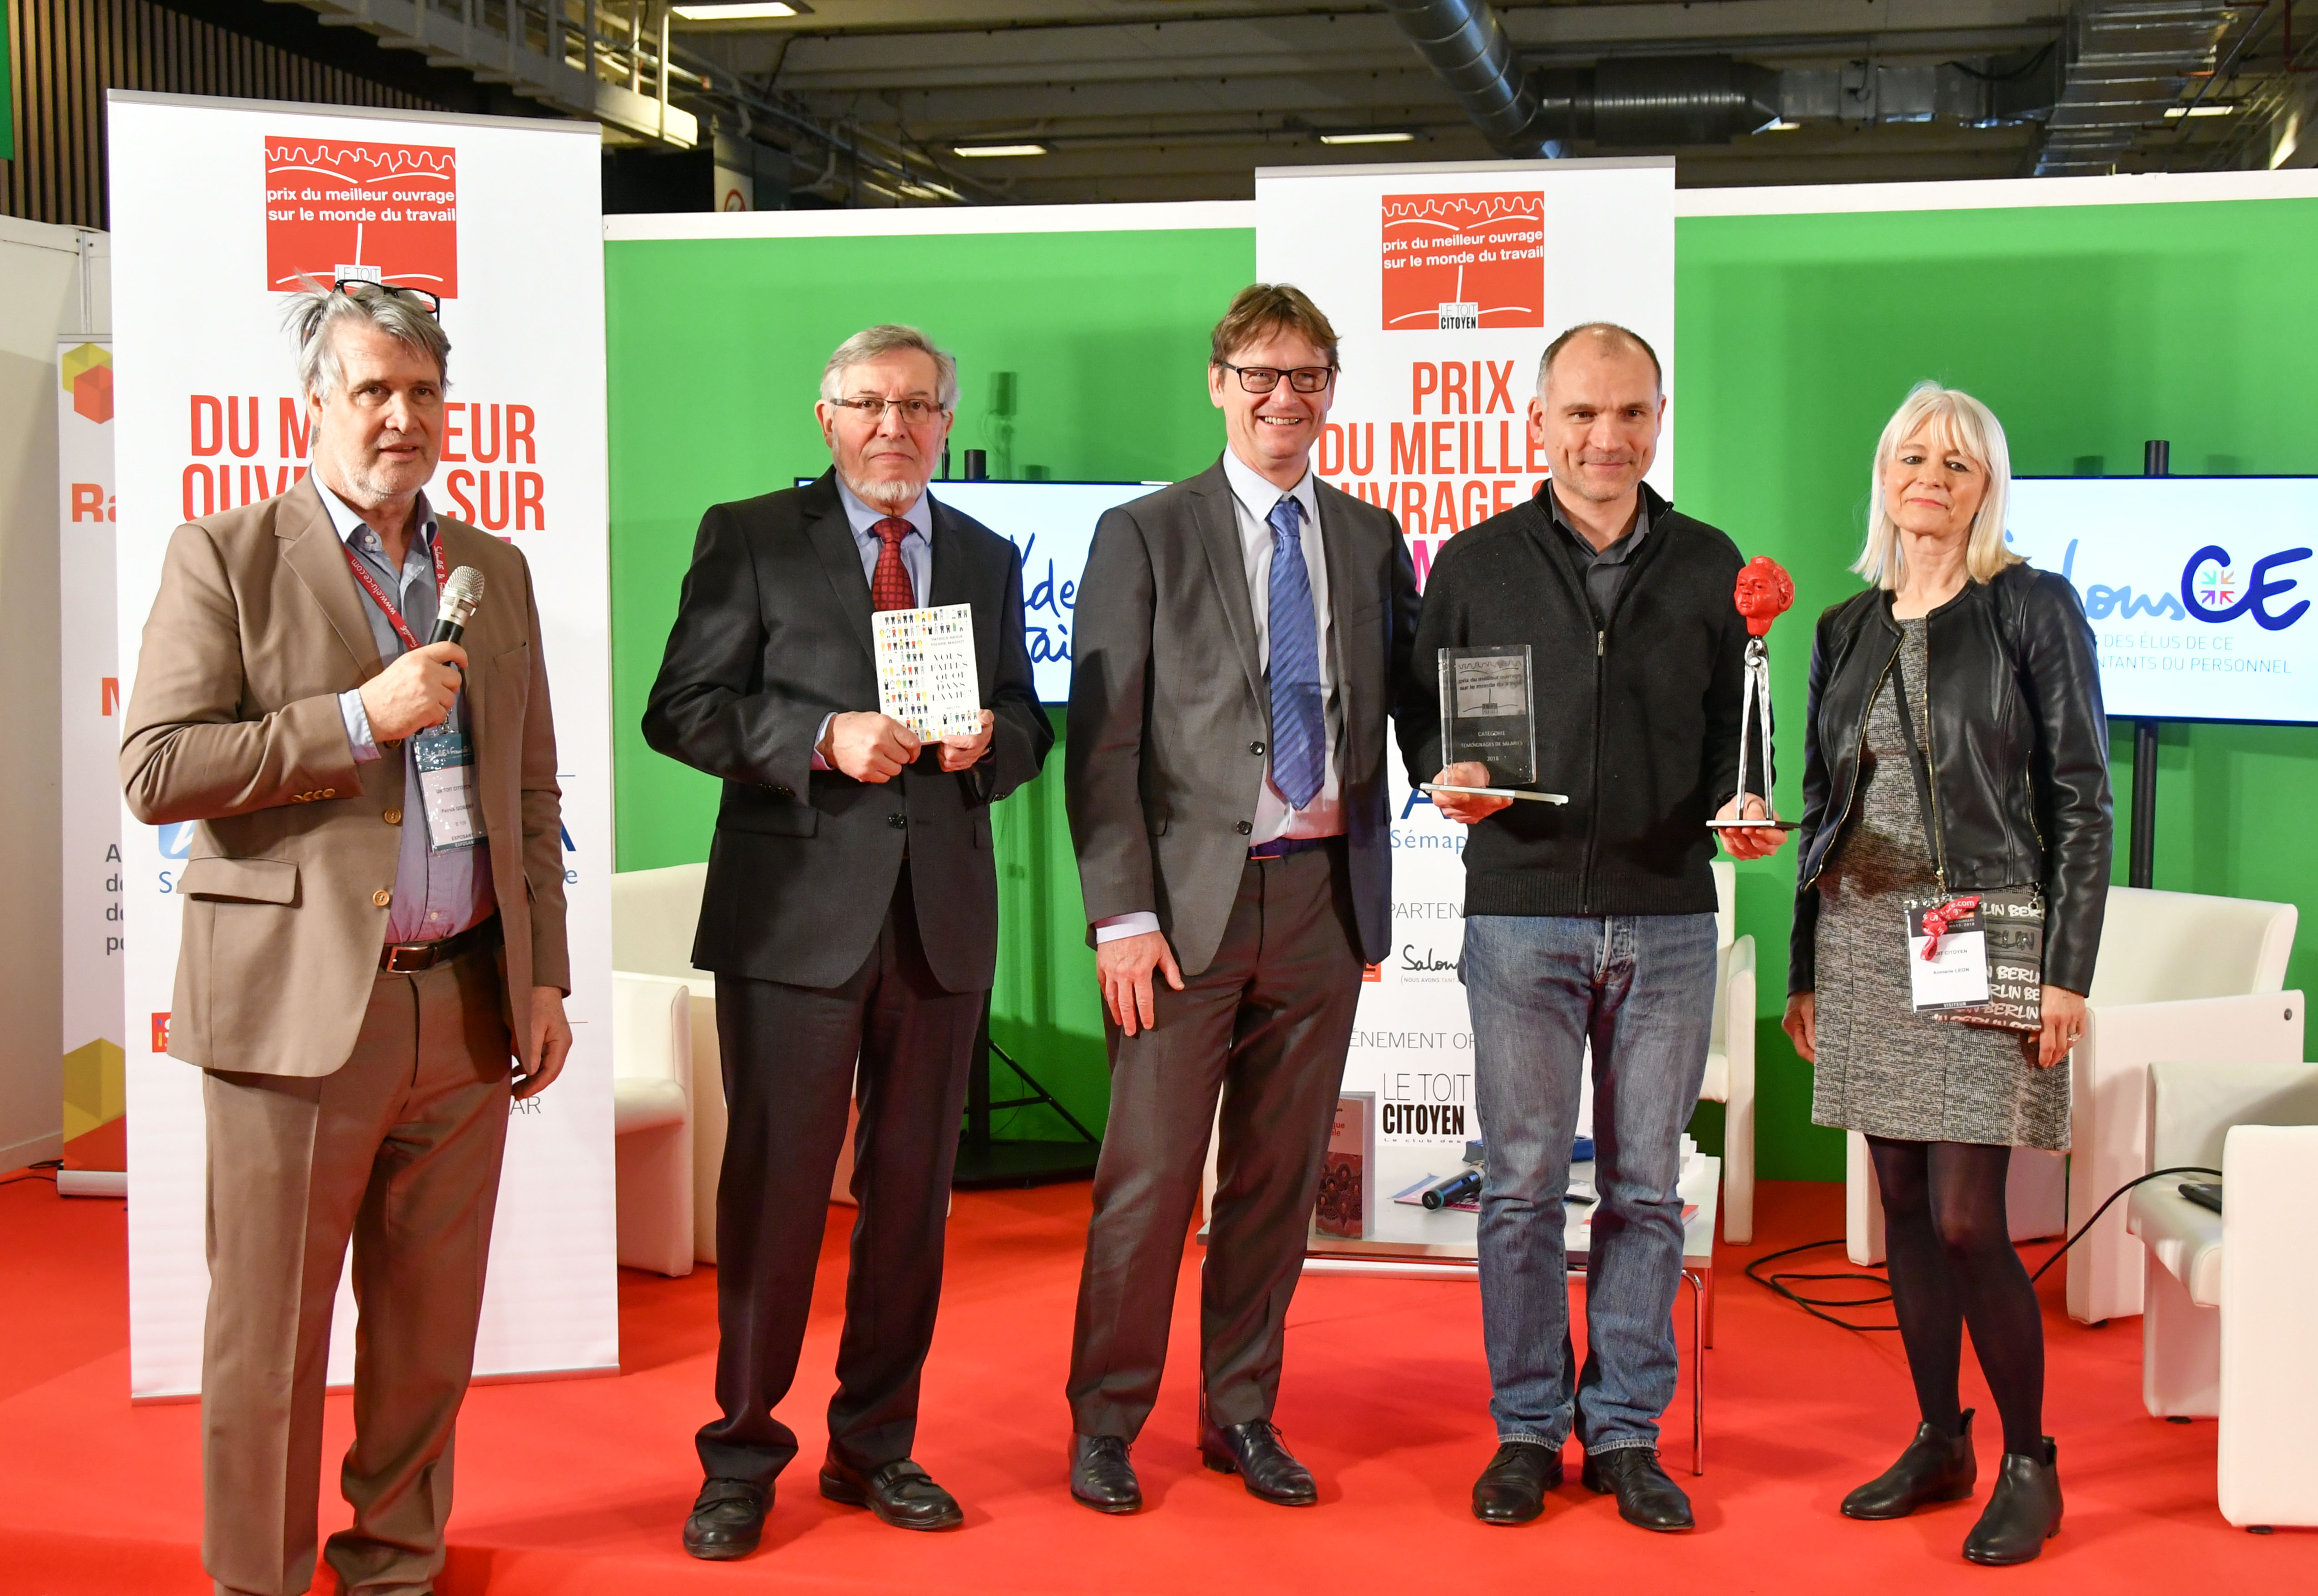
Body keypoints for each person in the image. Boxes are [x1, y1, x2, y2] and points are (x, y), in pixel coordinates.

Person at [119, 281, 572, 1596]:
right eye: (372, 390)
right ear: (312, 403)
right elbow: (156, 767)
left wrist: (539, 973)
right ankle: (258, 1578)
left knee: (429, 1341)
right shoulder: (228, 553)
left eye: (423, 393)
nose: (401, 417)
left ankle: (394, 1566)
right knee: (266, 1337)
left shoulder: (494, 567)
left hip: (466, 1002)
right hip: (301, 1009)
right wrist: (353, 719)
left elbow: (528, 788)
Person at [645, 324, 1051, 1558]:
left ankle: (876, 1443)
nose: (893, 426)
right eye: (869, 403)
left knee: (912, 1205)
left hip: (939, 926)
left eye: (917, 406)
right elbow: (683, 707)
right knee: (773, 1198)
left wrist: (991, 743)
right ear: (825, 416)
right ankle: (741, 1453)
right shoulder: (752, 534)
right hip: (794, 925)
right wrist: (821, 738)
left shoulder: (982, 552)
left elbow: (1034, 721)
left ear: (943, 422)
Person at [1063, 283, 1437, 1514]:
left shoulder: (1373, 537)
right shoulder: (1145, 532)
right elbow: (1104, 742)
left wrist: (1483, 770)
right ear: (1220, 382)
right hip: (1180, 916)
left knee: (1279, 1184)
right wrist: (1121, 913)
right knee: (1151, 1181)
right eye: (1261, 373)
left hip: (1324, 903)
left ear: (1333, 389)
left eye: (1310, 375)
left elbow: (1422, 714)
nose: (1286, 397)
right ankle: (1108, 1423)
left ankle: (1240, 1412)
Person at [1409, 322, 1781, 1533]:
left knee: (1644, 1190)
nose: (1605, 436)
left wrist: (1750, 807)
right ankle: (1525, 1427)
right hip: (1518, 913)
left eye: (1628, 413)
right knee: (1518, 1186)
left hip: (1671, 916)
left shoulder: (1714, 563)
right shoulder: (1472, 561)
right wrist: (1441, 770)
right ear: (1538, 422)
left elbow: (1748, 735)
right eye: (1581, 413)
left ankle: (1625, 1431)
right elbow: (1426, 715)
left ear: (1658, 419)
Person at [1783, 381, 2109, 1566]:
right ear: (1884, 474)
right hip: (1867, 932)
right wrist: (1806, 968)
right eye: (1912, 456)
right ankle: (1939, 1435)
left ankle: (2032, 1459)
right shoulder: (1843, 628)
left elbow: (2081, 794)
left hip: (1977, 922)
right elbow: (1822, 810)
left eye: (1957, 463)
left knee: (1973, 1216)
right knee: (1908, 1207)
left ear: (1987, 486)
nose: (1931, 475)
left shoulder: (2030, 605)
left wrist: (2067, 970)